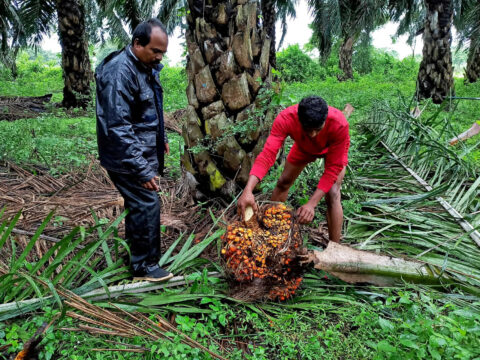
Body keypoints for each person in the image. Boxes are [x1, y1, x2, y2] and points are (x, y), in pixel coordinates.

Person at [95, 19, 173, 281]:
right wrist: (141, 169)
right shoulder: (120, 72)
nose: (160, 57)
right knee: (147, 201)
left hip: (138, 149)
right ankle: (144, 267)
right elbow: (117, 126)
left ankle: (135, 255)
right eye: (156, 51)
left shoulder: (143, 65)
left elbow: (145, 110)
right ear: (137, 44)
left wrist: (158, 137)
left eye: (163, 52)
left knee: (139, 203)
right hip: (125, 156)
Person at [237, 96, 353, 243]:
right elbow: (267, 155)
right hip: (304, 147)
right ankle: (272, 235)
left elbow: (332, 169)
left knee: (333, 192)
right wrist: (248, 190)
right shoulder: (286, 119)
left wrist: (311, 204)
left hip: (333, 150)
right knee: (283, 182)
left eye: (317, 129)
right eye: (307, 129)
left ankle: (335, 249)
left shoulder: (339, 124)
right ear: (299, 119)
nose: (313, 134)